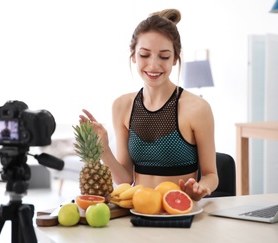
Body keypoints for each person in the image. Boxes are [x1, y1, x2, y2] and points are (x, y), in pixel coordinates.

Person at [79, 9, 218, 201]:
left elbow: (212, 175)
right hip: (139, 212)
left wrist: (200, 188)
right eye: (145, 55)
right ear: (133, 55)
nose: (153, 65)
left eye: (164, 56)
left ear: (175, 58)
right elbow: (125, 179)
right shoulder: (122, 106)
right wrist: (103, 149)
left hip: (180, 212)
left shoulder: (197, 108)